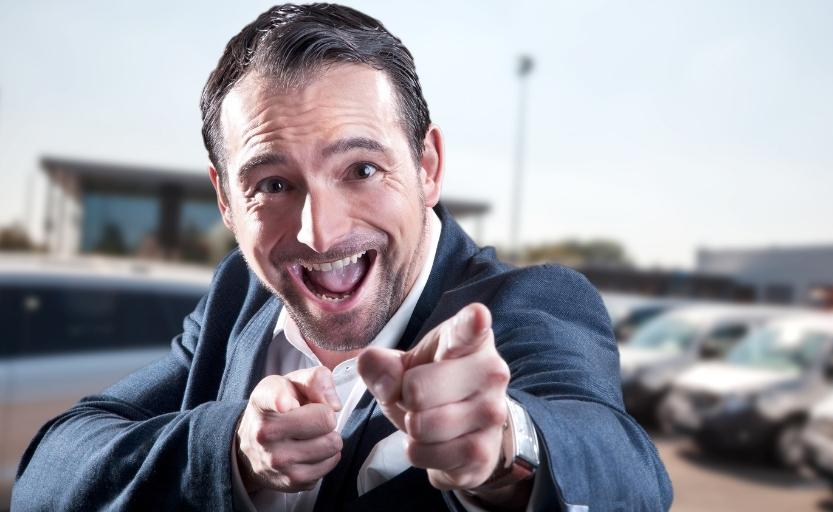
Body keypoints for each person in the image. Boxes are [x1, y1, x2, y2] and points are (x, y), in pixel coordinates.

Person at [13, 4, 672, 511]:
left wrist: (507, 447)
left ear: (428, 166)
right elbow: (50, 474)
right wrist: (231, 452)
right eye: (273, 184)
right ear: (224, 200)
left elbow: (628, 475)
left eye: (360, 169)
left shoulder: (530, 304)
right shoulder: (240, 293)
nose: (321, 233)